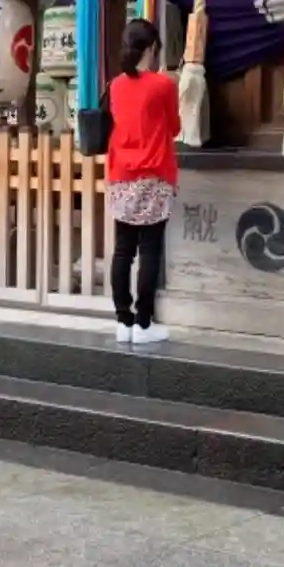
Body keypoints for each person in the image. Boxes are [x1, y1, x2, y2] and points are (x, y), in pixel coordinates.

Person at [107, 17, 180, 345]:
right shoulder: (163, 85)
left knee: (123, 249)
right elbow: (175, 127)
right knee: (150, 249)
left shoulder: (115, 85)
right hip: (154, 174)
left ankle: (123, 321)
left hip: (121, 173)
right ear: (152, 48)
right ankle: (144, 323)